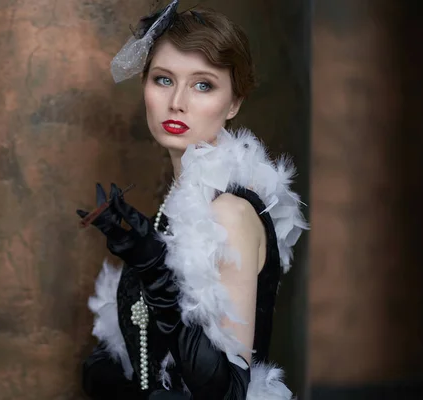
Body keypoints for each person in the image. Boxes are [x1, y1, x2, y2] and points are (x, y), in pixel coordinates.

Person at [76, 1, 308, 399]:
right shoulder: (172, 209)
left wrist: (154, 270)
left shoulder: (230, 214)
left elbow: (227, 391)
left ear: (233, 102)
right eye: (164, 79)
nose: (177, 101)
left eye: (203, 84)